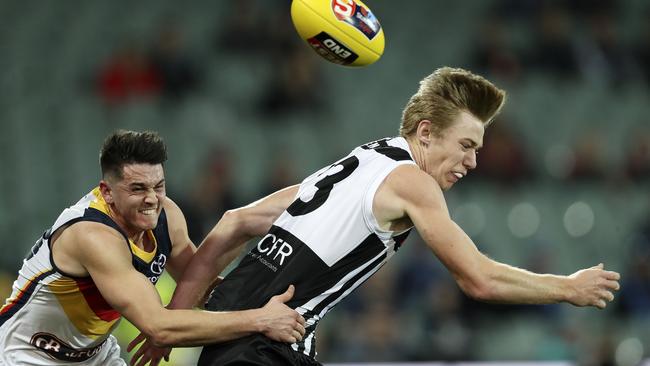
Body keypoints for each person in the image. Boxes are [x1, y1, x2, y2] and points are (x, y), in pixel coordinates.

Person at [132, 67, 621, 365]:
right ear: (426, 132)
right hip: (263, 347)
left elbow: (234, 222)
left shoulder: (363, 161)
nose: (473, 161)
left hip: (244, 343)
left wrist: (169, 327)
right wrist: (568, 287)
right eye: (466, 145)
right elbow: (478, 280)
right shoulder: (413, 182)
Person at [0, 130, 305, 365]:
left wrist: (266, 303)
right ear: (107, 192)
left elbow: (200, 284)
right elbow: (159, 327)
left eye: (158, 186)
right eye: (137, 189)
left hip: (93, 354)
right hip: (26, 354)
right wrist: (260, 320)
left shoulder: (167, 215)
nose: (152, 199)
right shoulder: (92, 235)